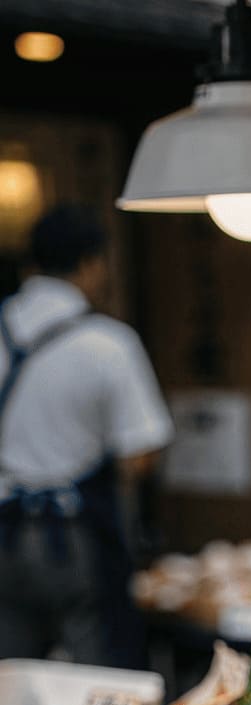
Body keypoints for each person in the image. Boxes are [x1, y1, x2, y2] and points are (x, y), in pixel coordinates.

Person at [0, 204, 173, 667]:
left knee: (11, 681)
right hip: (75, 535)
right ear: (92, 264)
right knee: (98, 679)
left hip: (5, 530)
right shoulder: (107, 344)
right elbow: (141, 455)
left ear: (30, 265)